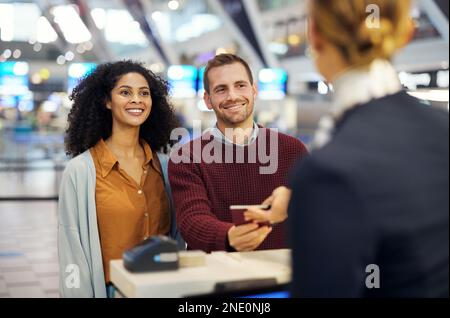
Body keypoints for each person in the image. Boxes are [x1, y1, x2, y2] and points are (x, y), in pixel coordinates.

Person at [246, 0, 449, 297]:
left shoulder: (327, 171)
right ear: (406, 34)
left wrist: (314, 198)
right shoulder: (441, 128)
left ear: (314, 34)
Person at [58, 60, 184, 298]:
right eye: (125, 92)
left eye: (143, 93)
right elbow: (71, 250)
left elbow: (176, 239)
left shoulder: (165, 167)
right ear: (107, 101)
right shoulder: (81, 171)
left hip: (163, 289)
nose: (136, 99)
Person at [168, 54, 308, 253]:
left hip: (283, 277)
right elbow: (192, 220)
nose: (232, 96)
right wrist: (228, 236)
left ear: (254, 90)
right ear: (208, 100)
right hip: (218, 279)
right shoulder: (187, 158)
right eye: (221, 89)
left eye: (240, 85)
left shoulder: (292, 150)